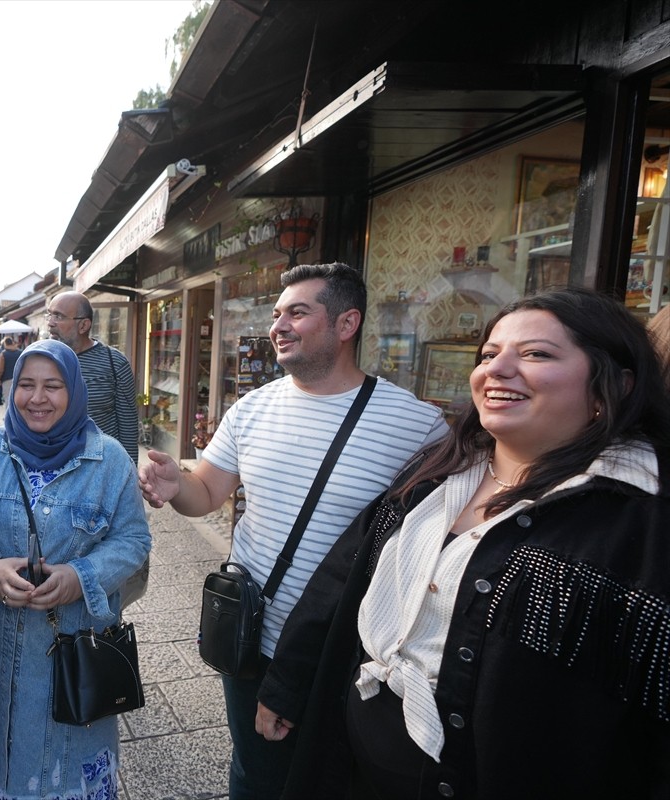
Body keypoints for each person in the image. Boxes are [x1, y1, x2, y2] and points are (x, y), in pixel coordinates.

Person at [256, 287, 670, 799]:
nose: (498, 369)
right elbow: (342, 577)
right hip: (353, 765)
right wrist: (288, 684)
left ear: (614, 386)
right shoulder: (439, 472)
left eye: (537, 354)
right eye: (489, 354)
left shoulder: (638, 522)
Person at [138, 263, 447, 800]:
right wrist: (175, 484)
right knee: (258, 774)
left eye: (297, 313)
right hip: (256, 636)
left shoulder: (415, 424)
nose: (278, 325)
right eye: (277, 314)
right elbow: (206, 492)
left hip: (349, 648)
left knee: (335, 778)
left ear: (346, 324)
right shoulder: (251, 409)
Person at [0, 338, 151, 799]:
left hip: (77, 671)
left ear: (74, 391)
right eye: (27, 385)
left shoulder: (109, 460)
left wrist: (81, 577)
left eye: (53, 386)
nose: (38, 398)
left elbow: (134, 540)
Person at [46, 291, 140, 463]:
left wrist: (129, 471)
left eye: (58, 316)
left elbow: (128, 425)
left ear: (83, 325)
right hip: (52, 466)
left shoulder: (115, 363)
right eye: (50, 315)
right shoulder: (41, 360)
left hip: (101, 468)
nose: (50, 323)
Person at [0, 336, 22, 404]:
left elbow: (0, 369)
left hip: (6, 379)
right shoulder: (20, 352)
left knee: (8, 399)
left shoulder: (3, 354)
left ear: (5, 343)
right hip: (19, 378)